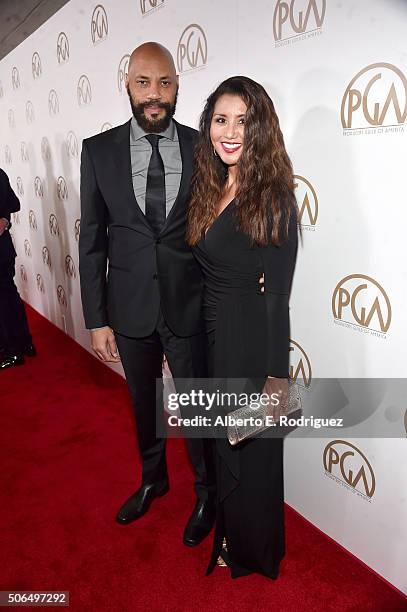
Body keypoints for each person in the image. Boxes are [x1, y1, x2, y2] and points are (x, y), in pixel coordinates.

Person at [79, 42, 216, 546]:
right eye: (144, 82)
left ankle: (206, 492)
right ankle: (153, 479)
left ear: (178, 86)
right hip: (129, 307)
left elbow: (219, 229)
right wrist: (96, 318)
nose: (154, 95)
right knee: (143, 403)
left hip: (190, 303)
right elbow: (91, 240)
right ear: (128, 85)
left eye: (164, 83)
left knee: (197, 404)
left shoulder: (205, 147)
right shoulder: (98, 151)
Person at [187, 76, 298, 578]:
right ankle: (230, 533)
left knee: (250, 451)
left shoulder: (273, 197)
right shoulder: (212, 183)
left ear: (262, 130)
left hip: (251, 341)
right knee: (221, 442)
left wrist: (276, 385)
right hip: (214, 334)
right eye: (221, 119)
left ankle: (255, 549)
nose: (230, 132)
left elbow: (277, 299)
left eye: (243, 122)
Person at [0, 168, 36, 370]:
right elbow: (14, 203)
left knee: (4, 299)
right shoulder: (0, 173)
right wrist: (4, 220)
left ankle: (11, 351)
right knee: (10, 295)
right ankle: (25, 344)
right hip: (4, 249)